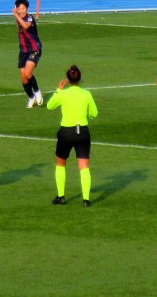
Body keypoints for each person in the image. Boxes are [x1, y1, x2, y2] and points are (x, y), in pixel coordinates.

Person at [47, 64, 98, 207]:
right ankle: (86, 200)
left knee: (61, 162)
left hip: (66, 132)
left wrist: (58, 90)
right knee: (84, 166)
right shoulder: (86, 94)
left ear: (68, 80)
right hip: (82, 131)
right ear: (80, 79)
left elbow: (50, 105)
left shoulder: (63, 94)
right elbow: (94, 114)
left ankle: (61, 197)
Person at [12, 0, 44, 108]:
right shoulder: (19, 18)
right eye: (19, 9)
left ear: (27, 9)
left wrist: (15, 15)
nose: (21, 11)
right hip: (23, 51)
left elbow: (25, 26)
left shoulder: (30, 18)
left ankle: (37, 92)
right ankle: (31, 97)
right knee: (24, 79)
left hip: (34, 49)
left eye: (23, 9)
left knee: (27, 73)